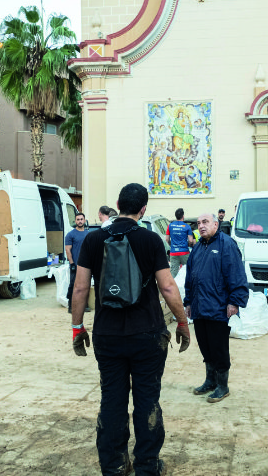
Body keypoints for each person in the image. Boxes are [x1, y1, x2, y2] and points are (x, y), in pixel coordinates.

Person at [70, 183, 190, 476]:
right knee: (147, 399)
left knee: (112, 399)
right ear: (143, 209)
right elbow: (167, 286)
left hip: (107, 335)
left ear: (117, 205)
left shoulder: (94, 239)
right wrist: (183, 322)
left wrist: (77, 328)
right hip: (147, 334)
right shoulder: (150, 240)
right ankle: (147, 466)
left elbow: (80, 287)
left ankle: (114, 466)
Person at [184, 212, 249, 403]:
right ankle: (210, 381)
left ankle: (223, 386)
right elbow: (190, 277)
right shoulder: (197, 248)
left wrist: (235, 301)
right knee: (205, 347)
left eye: (205, 222)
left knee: (219, 348)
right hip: (199, 307)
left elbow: (236, 274)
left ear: (215, 224)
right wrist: (188, 301)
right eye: (198, 223)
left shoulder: (226, 244)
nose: (201, 226)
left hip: (218, 307)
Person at [65, 212, 89, 313]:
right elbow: (67, 250)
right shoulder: (70, 234)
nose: (80, 221)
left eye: (81, 219)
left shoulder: (88, 234)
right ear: (75, 221)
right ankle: (71, 306)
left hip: (87, 265)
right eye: (78, 219)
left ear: (84, 220)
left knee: (85, 285)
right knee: (73, 285)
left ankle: (85, 306)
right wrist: (71, 264)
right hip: (75, 265)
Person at [166, 208, 194, 276]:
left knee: (173, 272)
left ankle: (173, 286)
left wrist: (171, 245)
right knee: (188, 271)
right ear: (183, 216)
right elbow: (190, 240)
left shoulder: (170, 226)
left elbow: (167, 239)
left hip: (173, 253)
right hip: (184, 252)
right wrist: (188, 244)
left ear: (176, 216)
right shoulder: (187, 226)